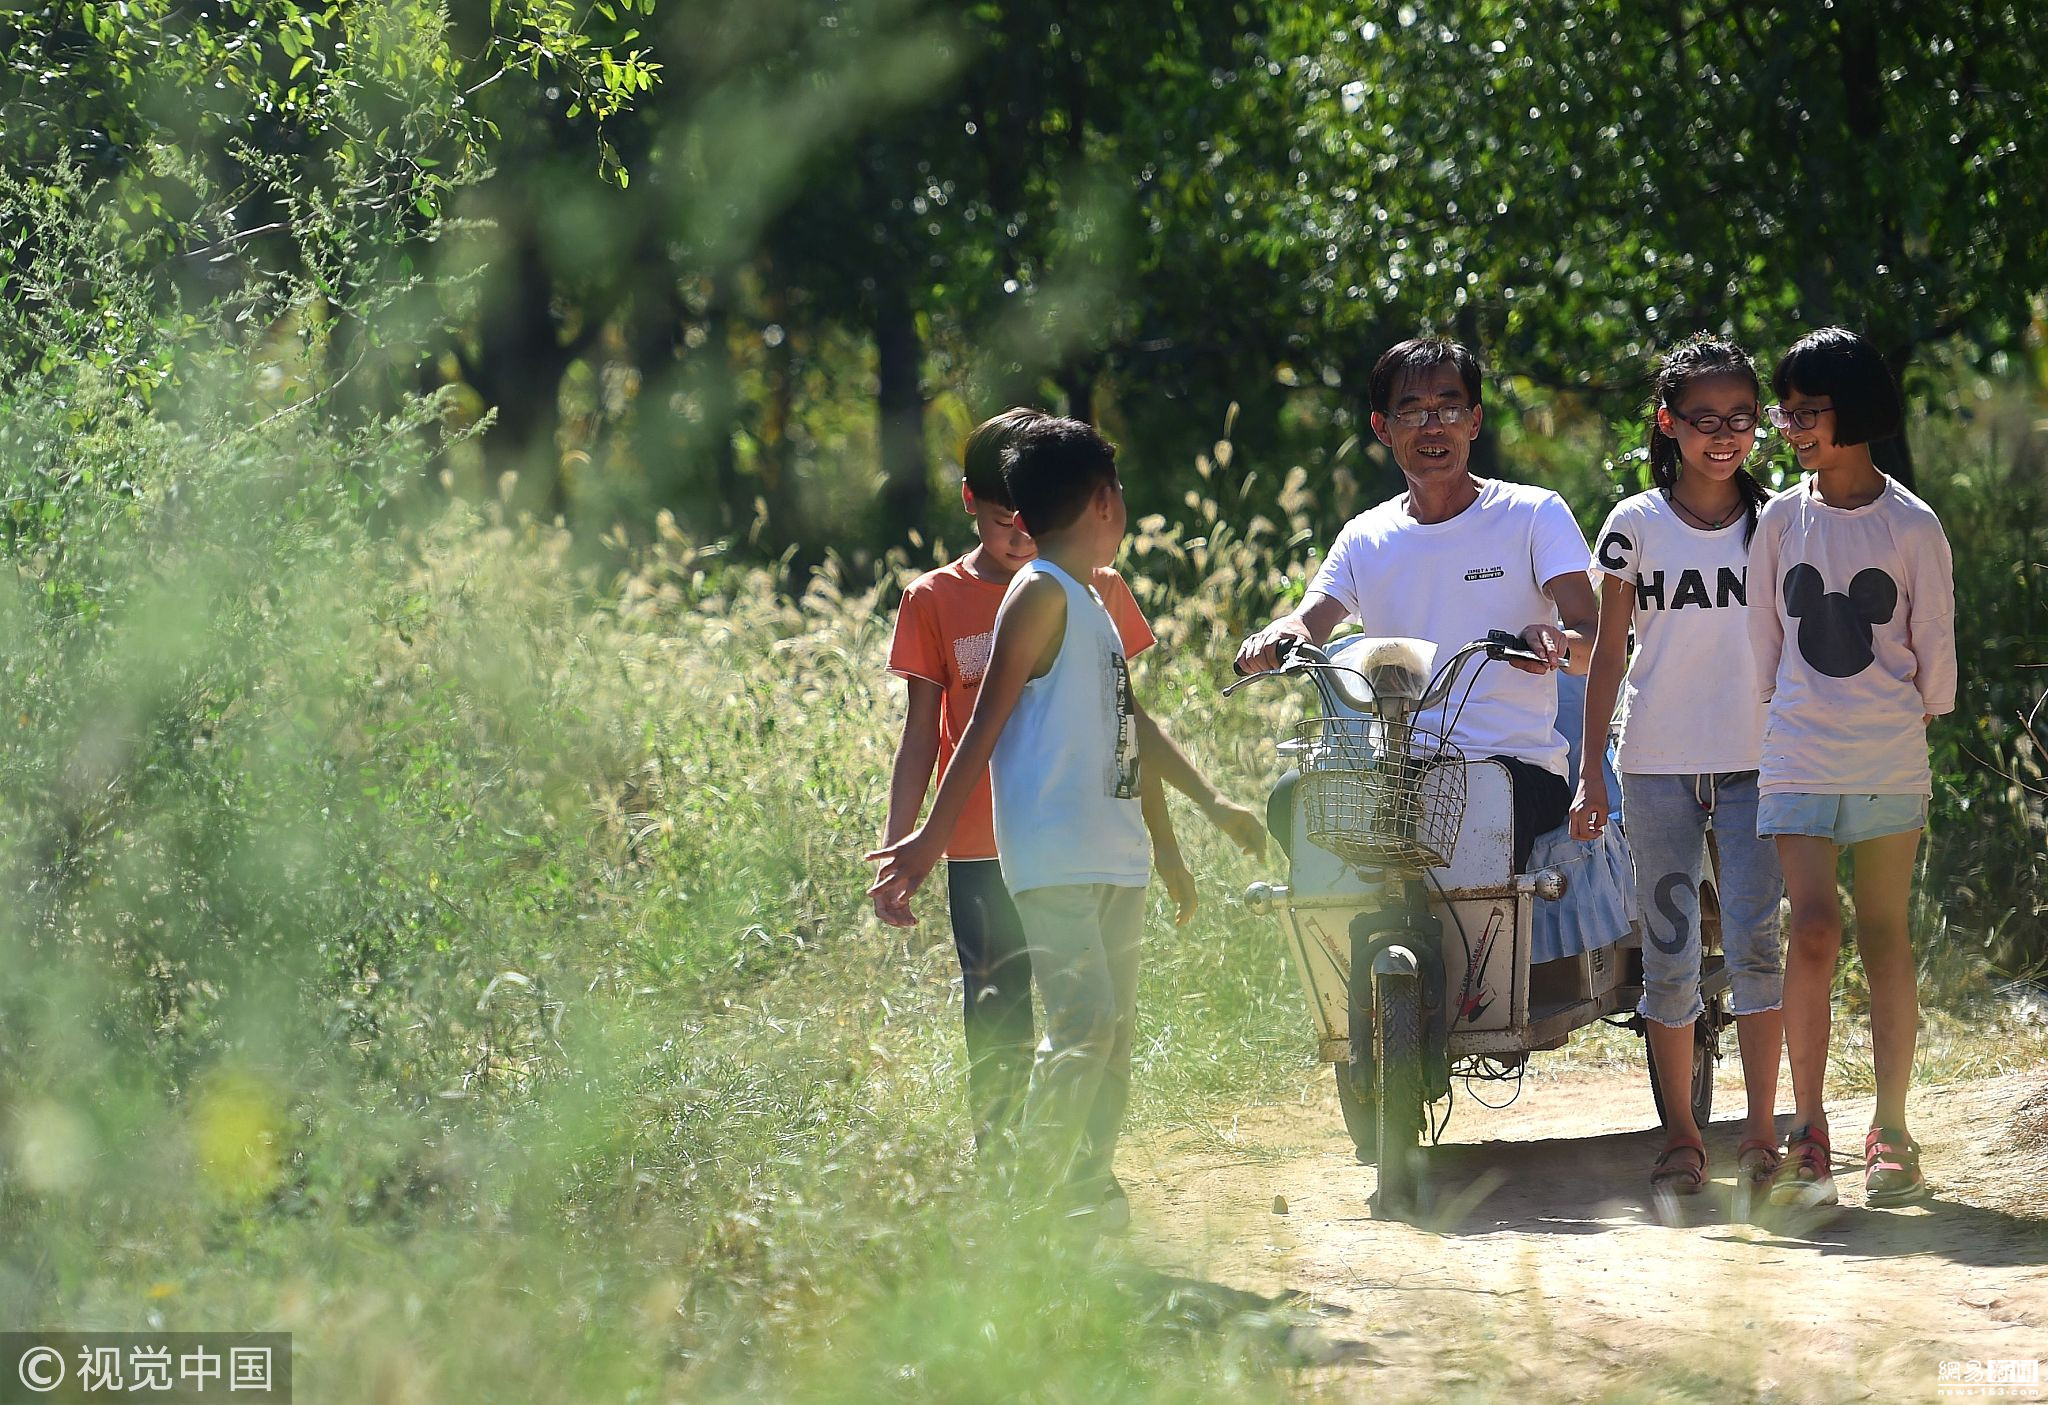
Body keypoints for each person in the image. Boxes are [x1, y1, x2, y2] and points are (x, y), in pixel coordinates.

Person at [869, 415, 1243, 1229]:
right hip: (1029, 853)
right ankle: (1020, 1204)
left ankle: (1080, 1188)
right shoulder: (1017, 592)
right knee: (1054, 1024)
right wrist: (927, 840)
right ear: (1105, 502)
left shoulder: (1095, 596)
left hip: (1108, 850)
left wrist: (1194, 819)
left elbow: (1128, 725)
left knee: (1109, 1030)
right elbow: (965, 729)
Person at [1235, 337, 1597, 871]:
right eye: (1413, 411)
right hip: (1401, 766)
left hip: (1514, 767)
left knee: (1479, 824)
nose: (1434, 426)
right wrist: (1274, 638)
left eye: (1449, 408)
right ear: (1383, 428)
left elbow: (1594, 641)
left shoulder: (1533, 514)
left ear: (1474, 421)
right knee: (1294, 798)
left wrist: (1556, 645)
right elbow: (1309, 621)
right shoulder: (1366, 535)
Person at [1569, 335, 1786, 1209]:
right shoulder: (1634, 524)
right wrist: (1593, 773)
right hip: (1656, 769)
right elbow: (1608, 658)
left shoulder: (1781, 520)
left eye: (1741, 419)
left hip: (1758, 766)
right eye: (1704, 421)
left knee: (1758, 950)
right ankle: (1684, 1139)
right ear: (1669, 423)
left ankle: (1765, 1134)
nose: (1723, 436)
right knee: (1669, 959)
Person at [1748, 327, 1956, 1210]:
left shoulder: (1913, 525)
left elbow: (1935, 655)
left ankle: (1893, 1131)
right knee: (1814, 934)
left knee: (1882, 936)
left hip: (1887, 759)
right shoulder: (1779, 519)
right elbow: (1763, 649)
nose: (1788, 425)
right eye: (1783, 409)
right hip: (1797, 753)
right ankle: (1808, 1134)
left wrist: (1910, 713)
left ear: (1854, 411)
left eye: (1806, 410)